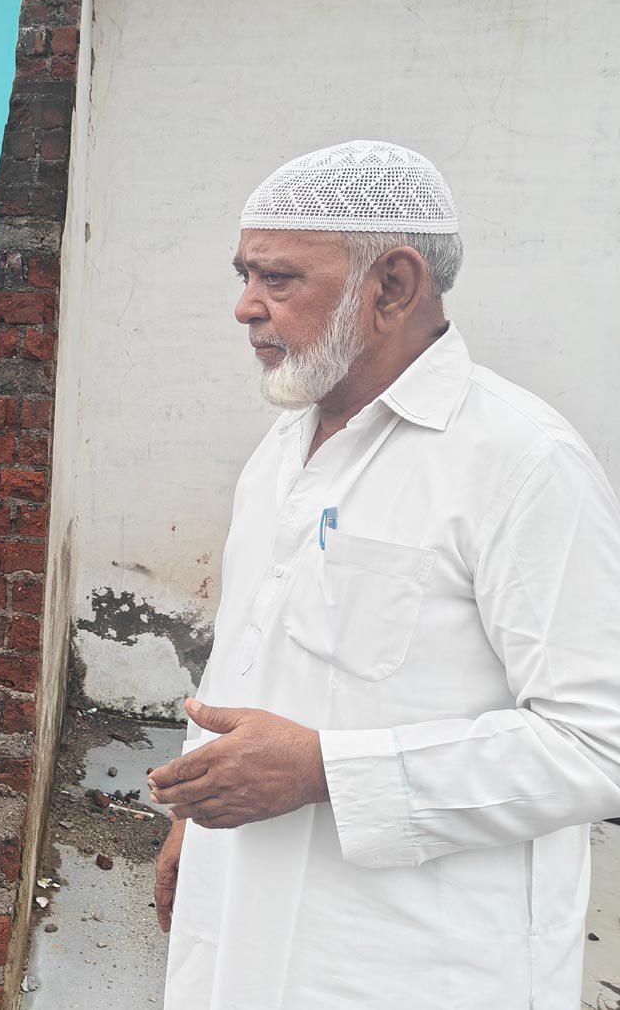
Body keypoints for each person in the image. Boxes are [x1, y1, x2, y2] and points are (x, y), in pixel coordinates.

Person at [146, 140, 620, 1008]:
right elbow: (246, 661)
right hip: (241, 920)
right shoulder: (285, 447)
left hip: (407, 961)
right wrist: (191, 821)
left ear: (392, 287)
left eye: (278, 279)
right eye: (244, 274)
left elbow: (597, 743)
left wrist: (326, 770)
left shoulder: (522, 463)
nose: (245, 307)